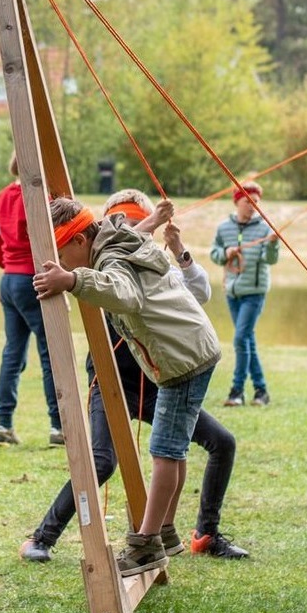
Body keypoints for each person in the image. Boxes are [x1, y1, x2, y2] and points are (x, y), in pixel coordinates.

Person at [19, 190, 247, 564]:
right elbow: (128, 235)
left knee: (168, 452)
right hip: (135, 373)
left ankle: (149, 543)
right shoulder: (116, 243)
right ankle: (46, 537)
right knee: (116, 458)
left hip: (171, 367)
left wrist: (72, 279)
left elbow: (124, 293)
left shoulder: (112, 258)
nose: (57, 264)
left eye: (60, 255)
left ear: (81, 241)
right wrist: (152, 221)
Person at [0, 151, 61, 446]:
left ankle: (3, 424)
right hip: (33, 279)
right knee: (50, 354)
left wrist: (10, 267)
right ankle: (58, 427)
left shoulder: (3, 196)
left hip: (9, 280)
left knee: (12, 354)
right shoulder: (41, 197)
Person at [211, 180, 279, 407]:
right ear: (237, 202)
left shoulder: (265, 228)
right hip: (232, 292)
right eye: (248, 202)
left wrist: (273, 244)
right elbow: (214, 253)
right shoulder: (224, 228)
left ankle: (237, 391)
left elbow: (271, 260)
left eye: (256, 202)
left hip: (254, 293)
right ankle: (261, 391)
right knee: (247, 340)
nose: (253, 206)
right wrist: (226, 253)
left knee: (241, 338)